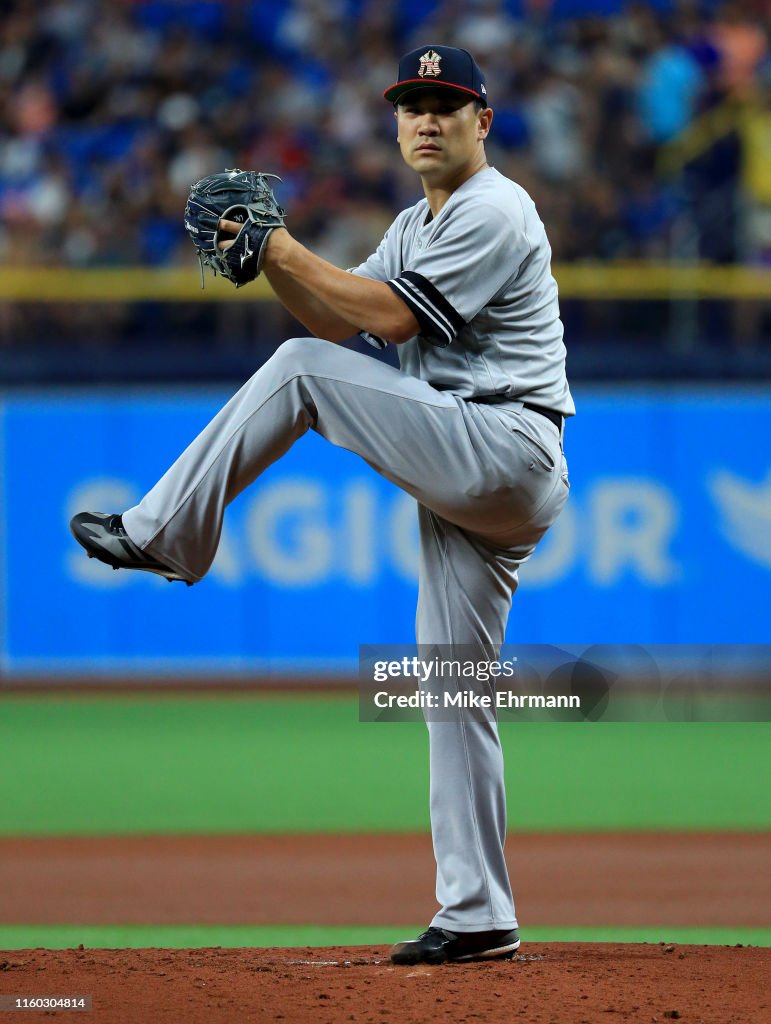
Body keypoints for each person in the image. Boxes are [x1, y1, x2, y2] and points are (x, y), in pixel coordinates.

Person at [71, 45, 574, 966]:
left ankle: (162, 532)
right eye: (412, 104)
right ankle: (477, 911)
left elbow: (383, 323)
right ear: (394, 122)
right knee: (451, 682)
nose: (427, 118)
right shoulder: (413, 223)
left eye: (446, 104)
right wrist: (273, 260)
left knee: (301, 376)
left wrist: (280, 245)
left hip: (505, 445)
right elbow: (338, 317)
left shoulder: (495, 208)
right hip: (474, 461)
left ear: (482, 123)